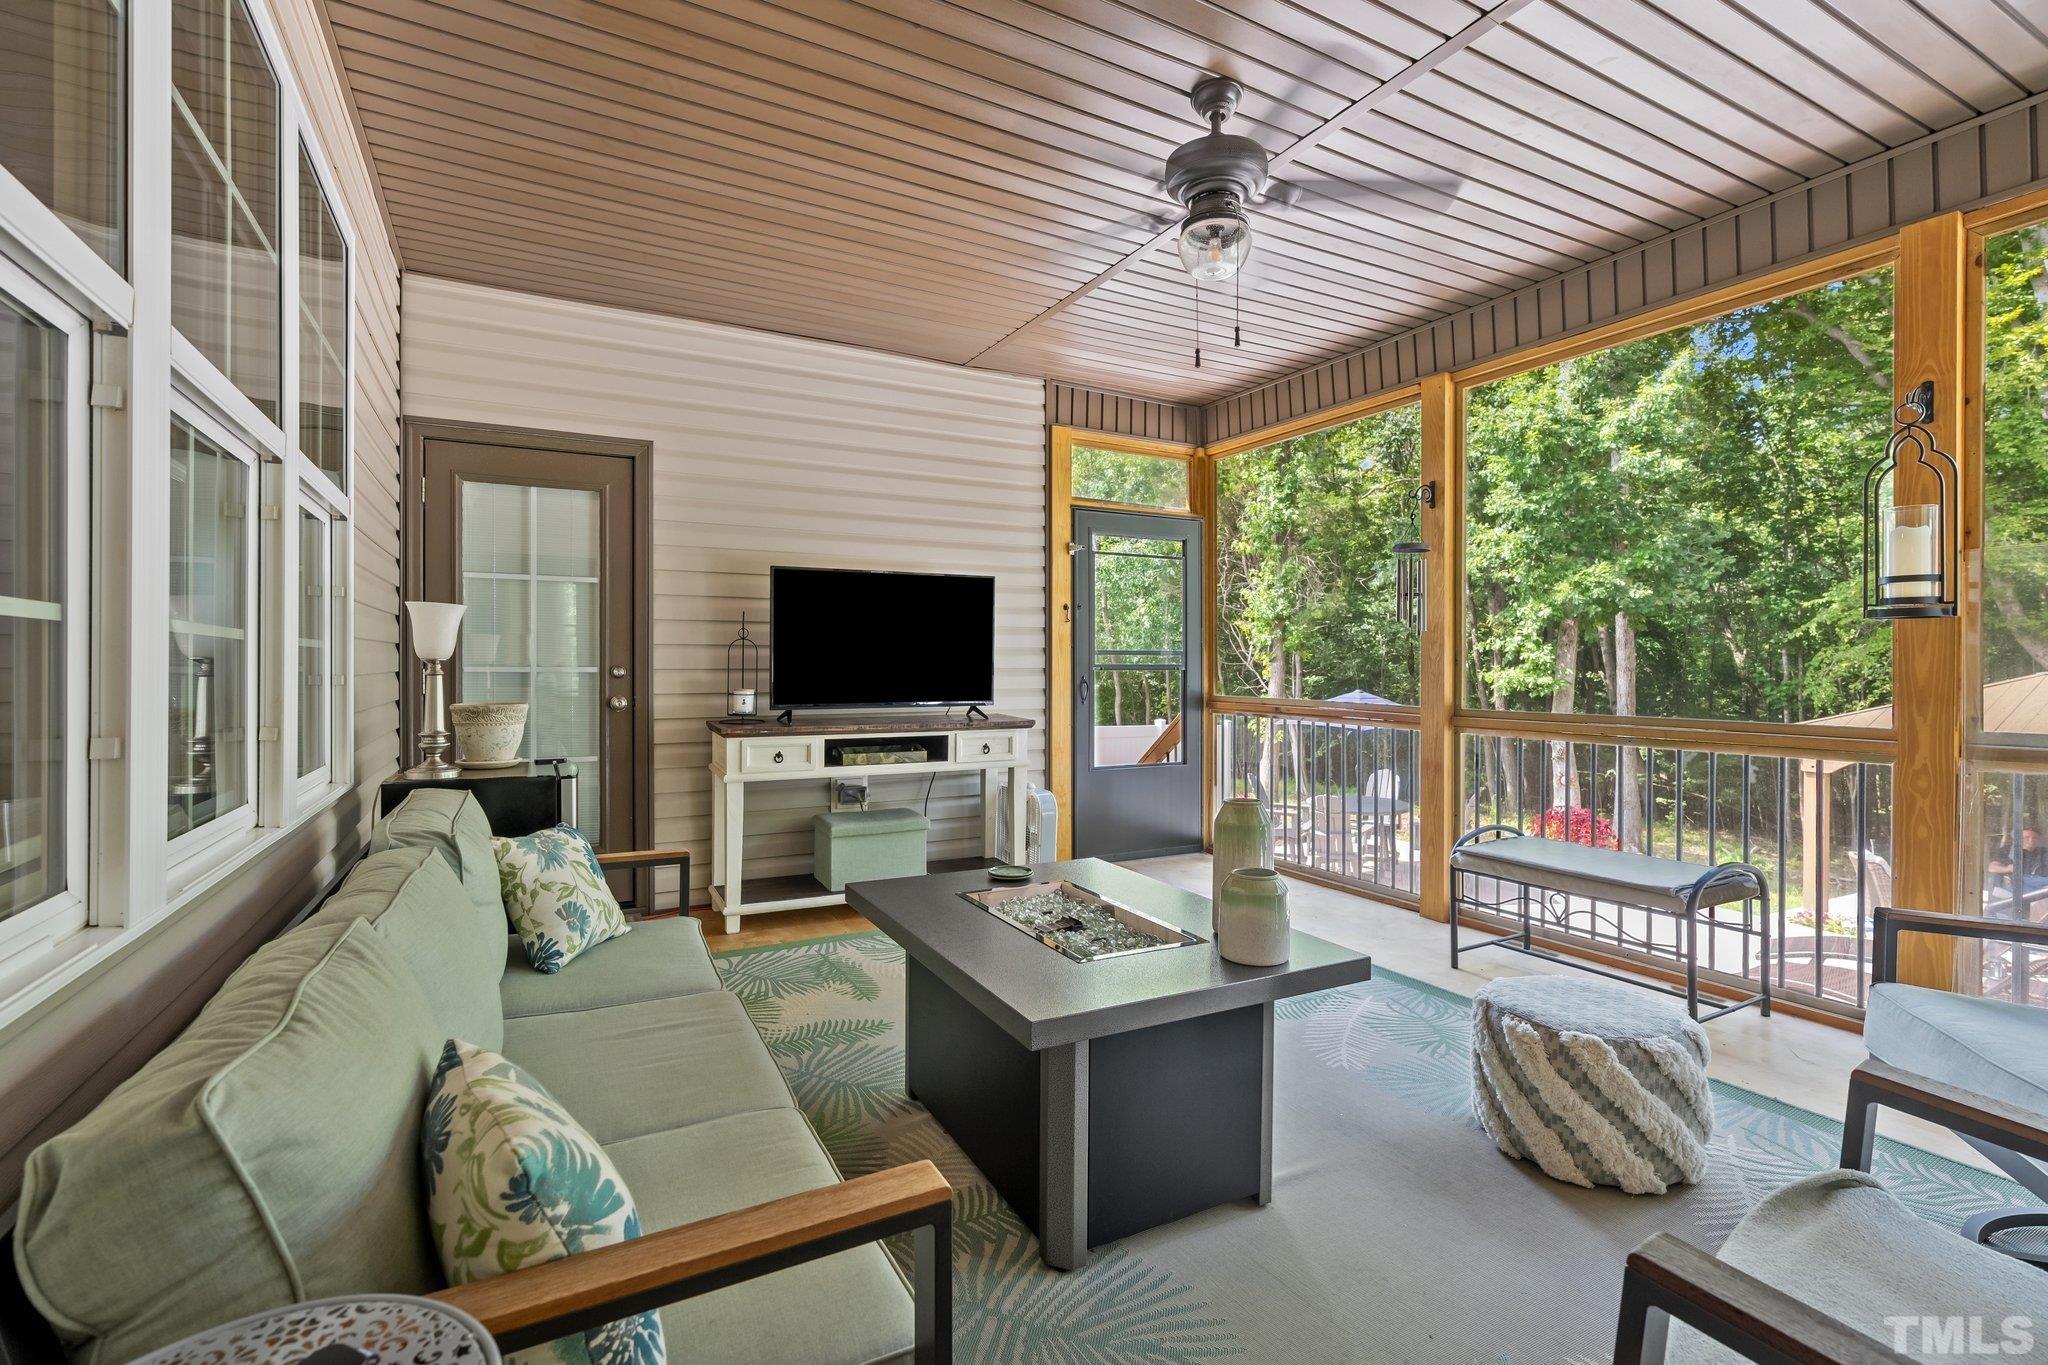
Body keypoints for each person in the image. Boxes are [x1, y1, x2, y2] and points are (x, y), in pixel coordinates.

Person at [1989, 824, 2048, 915]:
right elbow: (1992, 868)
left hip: (2040, 886)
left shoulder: (2043, 852)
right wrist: (2007, 868)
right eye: (2027, 837)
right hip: (2018, 884)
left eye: (2034, 838)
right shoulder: (2007, 850)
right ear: (2019, 838)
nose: (2031, 840)